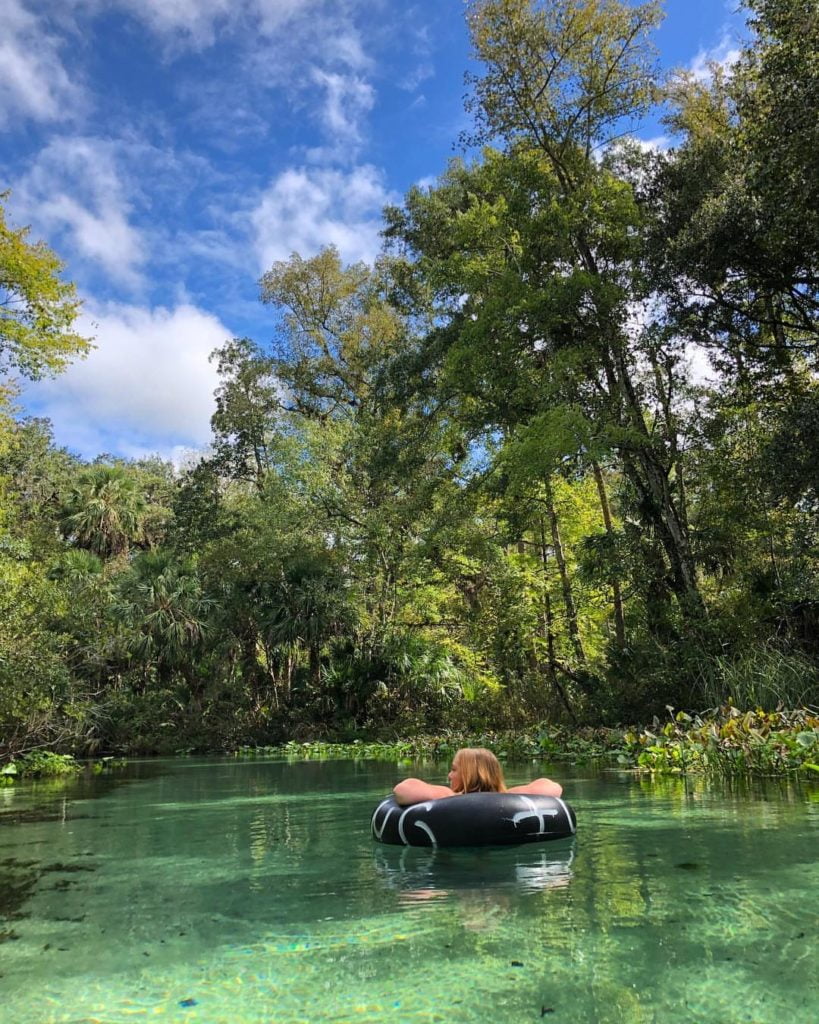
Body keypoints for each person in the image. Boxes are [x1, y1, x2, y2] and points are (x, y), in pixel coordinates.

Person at [393, 747, 563, 806]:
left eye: (454, 770)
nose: (449, 775)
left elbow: (402, 790)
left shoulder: (446, 796)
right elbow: (555, 788)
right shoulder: (509, 795)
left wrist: (449, 796)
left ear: (469, 775)